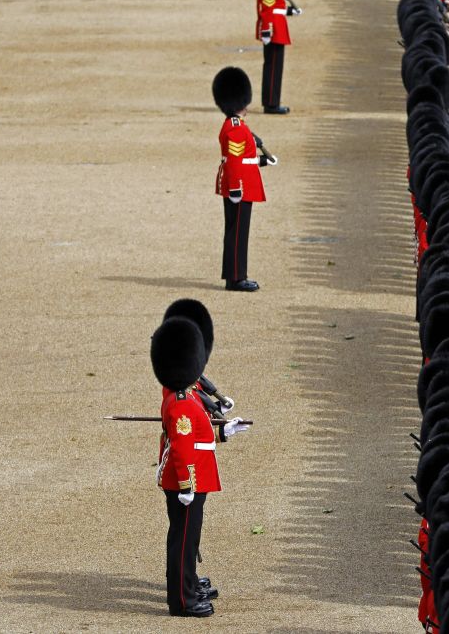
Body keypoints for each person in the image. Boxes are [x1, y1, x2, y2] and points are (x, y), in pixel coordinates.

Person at [152, 317, 249, 617]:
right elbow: (182, 449)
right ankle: (182, 600)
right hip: (187, 480)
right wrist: (186, 485)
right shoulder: (180, 400)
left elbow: (199, 433)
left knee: (189, 538)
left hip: (196, 474)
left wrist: (223, 432)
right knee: (183, 540)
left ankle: (189, 583)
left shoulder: (187, 392)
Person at [213, 66, 276, 292]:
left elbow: (243, 159)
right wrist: (237, 189)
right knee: (238, 233)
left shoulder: (235, 126)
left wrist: (262, 161)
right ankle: (236, 278)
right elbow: (236, 163)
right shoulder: (237, 129)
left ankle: (236, 275)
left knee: (236, 231)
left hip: (239, 185)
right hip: (240, 188)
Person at [258, 0, 301, 115]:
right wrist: (267, 32)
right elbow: (267, 10)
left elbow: (276, 7)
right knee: (274, 67)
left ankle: (272, 101)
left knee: (275, 66)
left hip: (277, 27)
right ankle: (271, 103)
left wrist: (290, 11)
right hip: (274, 30)